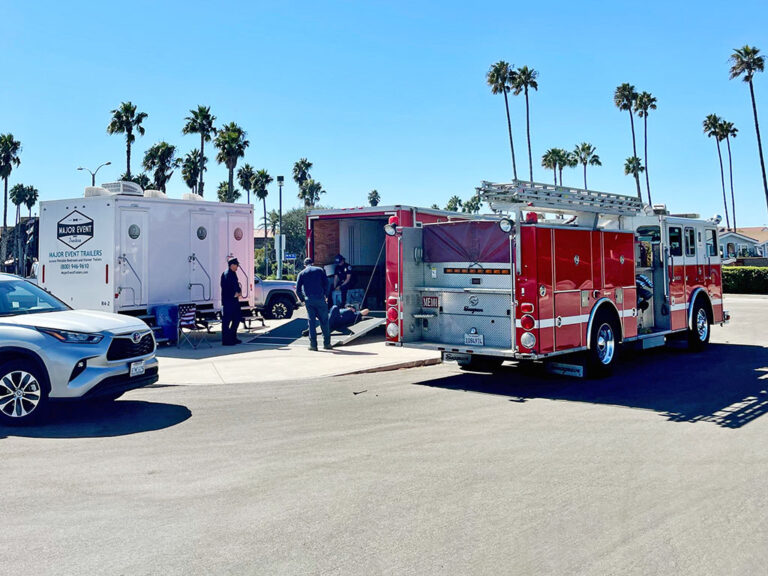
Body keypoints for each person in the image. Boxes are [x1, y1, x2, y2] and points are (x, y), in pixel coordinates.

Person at [296, 257, 331, 351]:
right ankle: (327, 343)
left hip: (309, 300)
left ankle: (313, 345)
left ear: (304, 265)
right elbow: (327, 284)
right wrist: (326, 295)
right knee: (324, 321)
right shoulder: (320, 270)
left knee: (311, 322)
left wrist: (302, 300)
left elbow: (298, 290)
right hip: (320, 299)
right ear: (313, 263)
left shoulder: (301, 273)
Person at [303, 305, 370, 336]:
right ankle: (311, 330)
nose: (351, 308)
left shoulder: (355, 314)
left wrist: (356, 311)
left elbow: (367, 310)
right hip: (330, 319)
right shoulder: (341, 310)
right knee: (317, 311)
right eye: (350, 307)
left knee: (335, 307)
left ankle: (325, 329)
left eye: (352, 308)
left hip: (338, 322)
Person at [220, 257, 242, 346]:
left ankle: (233, 337)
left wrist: (239, 291)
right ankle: (226, 340)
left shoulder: (233, 273)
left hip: (234, 301)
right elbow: (225, 287)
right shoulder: (226, 274)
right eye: (236, 265)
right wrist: (234, 294)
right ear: (232, 265)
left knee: (237, 318)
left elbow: (236, 284)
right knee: (227, 320)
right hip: (228, 301)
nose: (237, 267)